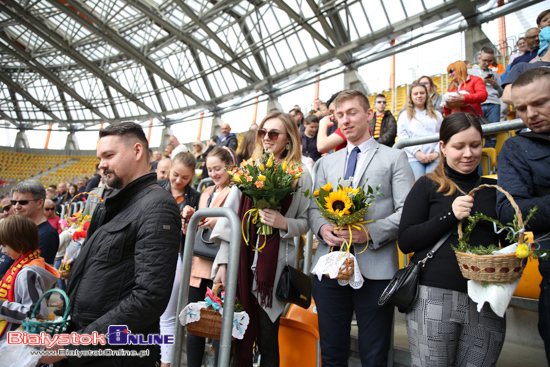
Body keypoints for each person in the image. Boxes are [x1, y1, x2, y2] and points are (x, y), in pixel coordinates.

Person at [39, 122, 182, 366]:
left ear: (137, 151)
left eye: (109, 155)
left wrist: (75, 345)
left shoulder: (158, 205)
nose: (101, 164)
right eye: (99, 157)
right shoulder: (111, 203)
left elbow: (149, 297)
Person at [309, 90, 415, 367]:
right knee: (332, 351)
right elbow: (311, 209)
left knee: (374, 354)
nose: (344, 121)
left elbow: (409, 211)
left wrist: (370, 232)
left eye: (351, 112)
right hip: (329, 266)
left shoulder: (395, 158)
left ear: (369, 114)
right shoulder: (325, 163)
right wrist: (322, 228)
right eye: (339, 115)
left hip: (376, 269)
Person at [399, 112, 506, 366]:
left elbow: (506, 243)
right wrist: (449, 215)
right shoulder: (426, 185)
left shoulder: (493, 190)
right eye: (459, 147)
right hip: (433, 297)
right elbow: (406, 240)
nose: (468, 153)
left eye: (475, 145)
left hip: (486, 300)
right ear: (443, 148)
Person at [212, 112, 311, 367]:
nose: (266, 138)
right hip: (241, 265)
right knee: (237, 336)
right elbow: (229, 222)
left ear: (288, 140)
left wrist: (284, 223)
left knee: (269, 342)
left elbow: (306, 222)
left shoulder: (301, 174)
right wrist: (222, 265)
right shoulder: (247, 170)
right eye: (263, 133)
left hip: (274, 272)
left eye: (274, 133)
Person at [496, 67, 550, 365]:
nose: (531, 113)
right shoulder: (517, 148)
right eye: (522, 108)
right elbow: (511, 211)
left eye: (540, 103)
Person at [175, 147, 235, 367]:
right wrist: (190, 221)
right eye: (210, 169)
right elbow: (199, 227)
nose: (214, 174)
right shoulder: (206, 193)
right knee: (195, 323)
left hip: (221, 263)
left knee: (219, 325)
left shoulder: (237, 190)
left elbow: (235, 225)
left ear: (230, 165)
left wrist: (217, 222)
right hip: (199, 262)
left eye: (218, 168)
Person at [157, 151, 201, 367]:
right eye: (175, 175)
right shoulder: (156, 190)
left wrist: (190, 222)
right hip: (152, 256)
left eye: (185, 178)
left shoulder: (195, 197)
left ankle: (166, 363)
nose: (178, 181)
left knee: (167, 316)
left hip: (177, 259)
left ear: (192, 176)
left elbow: (199, 234)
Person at [0, 215, 59, 341]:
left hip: (17, 340)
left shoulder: (27, 273)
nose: (3, 251)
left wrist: (1, 306)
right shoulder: (25, 265)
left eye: (5, 245)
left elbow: (35, 312)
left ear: (19, 244)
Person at [398, 83, 443, 179]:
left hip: (434, 157)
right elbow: (403, 137)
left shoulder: (437, 115)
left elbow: (443, 134)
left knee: (433, 182)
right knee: (418, 183)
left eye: (422, 93)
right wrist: (417, 153)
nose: (419, 95)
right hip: (413, 157)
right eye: (416, 93)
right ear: (411, 97)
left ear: (426, 95)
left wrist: (436, 153)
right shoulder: (404, 116)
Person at [11, 180, 59, 265]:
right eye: (14, 202)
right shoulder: (22, 229)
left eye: (23, 202)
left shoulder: (47, 234)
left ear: (40, 203)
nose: (16, 207)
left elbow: (39, 274)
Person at [502, 37, 550, 105]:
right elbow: (507, 96)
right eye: (520, 44)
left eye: (523, 43)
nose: (536, 39)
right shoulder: (519, 64)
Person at [469, 47, 504, 125]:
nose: (487, 63)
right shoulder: (470, 72)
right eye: (485, 60)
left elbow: (501, 93)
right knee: (477, 132)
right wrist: (479, 82)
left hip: (494, 103)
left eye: (490, 61)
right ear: (479, 58)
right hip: (477, 104)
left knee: (493, 132)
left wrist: (495, 85)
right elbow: (466, 89)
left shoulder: (495, 75)